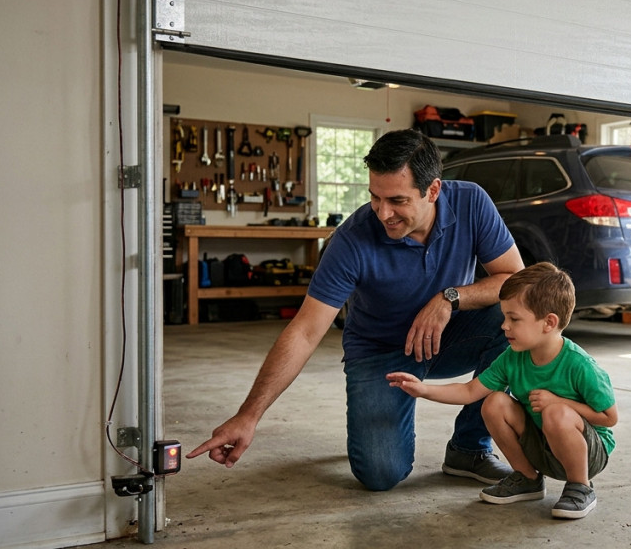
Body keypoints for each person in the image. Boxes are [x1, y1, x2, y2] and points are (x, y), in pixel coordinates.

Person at [187, 129, 525, 492]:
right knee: (380, 475)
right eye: (375, 198)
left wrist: (449, 298)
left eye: (397, 200)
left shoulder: (471, 202)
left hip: (446, 335)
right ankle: (378, 425)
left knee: (516, 325)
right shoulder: (351, 241)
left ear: (433, 190)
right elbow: (304, 332)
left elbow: (515, 281)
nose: (383, 213)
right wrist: (248, 415)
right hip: (381, 353)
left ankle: (468, 449)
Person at [388, 262, 618, 519]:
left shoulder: (579, 364)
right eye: (505, 316)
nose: (504, 326)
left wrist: (559, 402)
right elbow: (469, 391)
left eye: (514, 319)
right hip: (543, 444)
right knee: (494, 402)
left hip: (588, 454)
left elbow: (609, 418)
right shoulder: (512, 357)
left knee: (557, 413)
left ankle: (581, 487)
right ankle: (527, 478)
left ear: (548, 322)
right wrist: (423, 390)